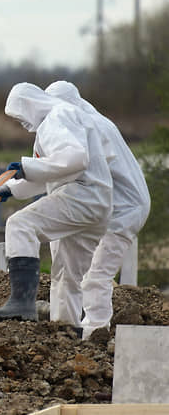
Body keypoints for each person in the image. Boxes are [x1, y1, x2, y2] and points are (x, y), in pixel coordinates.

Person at [0, 82, 113, 325]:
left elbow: (75, 159)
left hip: (82, 195)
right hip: (97, 203)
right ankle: (69, 331)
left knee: (20, 225)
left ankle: (21, 302)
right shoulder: (64, 117)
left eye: (19, 114)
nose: (21, 122)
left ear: (31, 105)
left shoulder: (56, 118)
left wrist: (27, 167)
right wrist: (11, 188)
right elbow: (53, 170)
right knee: (67, 274)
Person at [45, 80, 150, 339]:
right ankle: (67, 329)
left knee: (95, 274)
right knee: (74, 270)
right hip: (110, 204)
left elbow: (71, 171)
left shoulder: (86, 126)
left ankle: (95, 333)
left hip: (122, 208)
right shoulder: (92, 121)